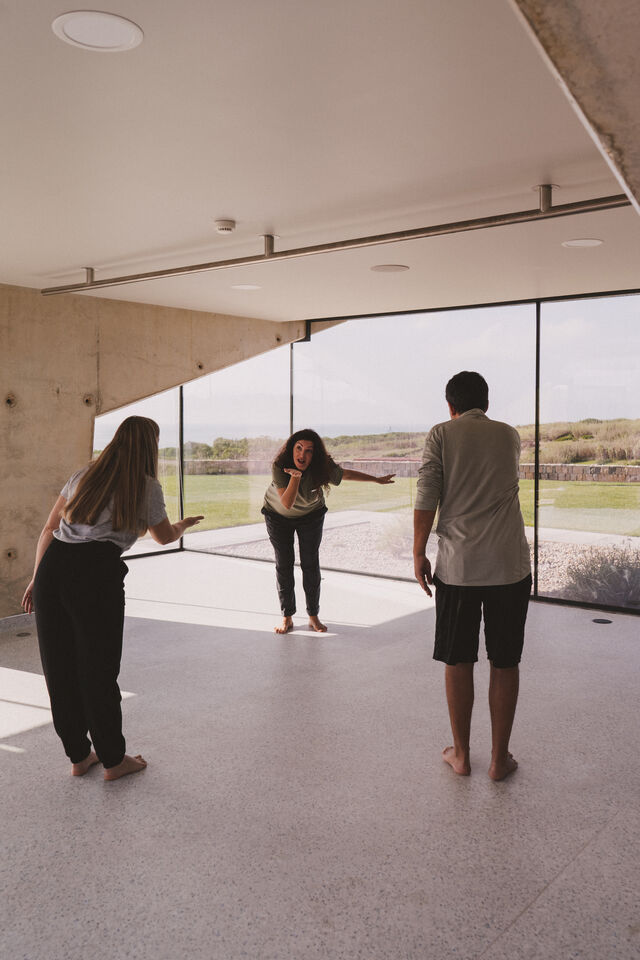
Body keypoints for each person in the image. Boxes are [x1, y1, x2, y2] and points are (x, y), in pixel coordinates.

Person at [21, 416, 204, 782]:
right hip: (96, 575)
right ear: (149, 447)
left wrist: (37, 578)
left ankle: (78, 756)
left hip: (54, 567)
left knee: (59, 669)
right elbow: (164, 536)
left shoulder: (83, 476)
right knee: (98, 670)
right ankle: (113, 760)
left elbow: (49, 529)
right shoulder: (146, 487)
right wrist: (185, 525)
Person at [413, 372, 531, 781]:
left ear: (450, 406)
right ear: (487, 402)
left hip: (458, 567)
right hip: (508, 566)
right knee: (505, 660)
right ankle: (500, 760)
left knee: (458, 658)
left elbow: (427, 494)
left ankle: (461, 755)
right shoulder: (509, 435)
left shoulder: (441, 433)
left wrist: (418, 552)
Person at [262, 428, 395, 634]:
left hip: (311, 516)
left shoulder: (321, 467)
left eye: (308, 451)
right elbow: (287, 503)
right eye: (298, 448)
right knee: (284, 564)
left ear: (314, 455)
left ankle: (313, 615)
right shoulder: (280, 465)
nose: (302, 455)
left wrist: (375, 479)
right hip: (278, 516)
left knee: (310, 563)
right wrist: (295, 478)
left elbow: (345, 474)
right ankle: (286, 616)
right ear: (292, 449)